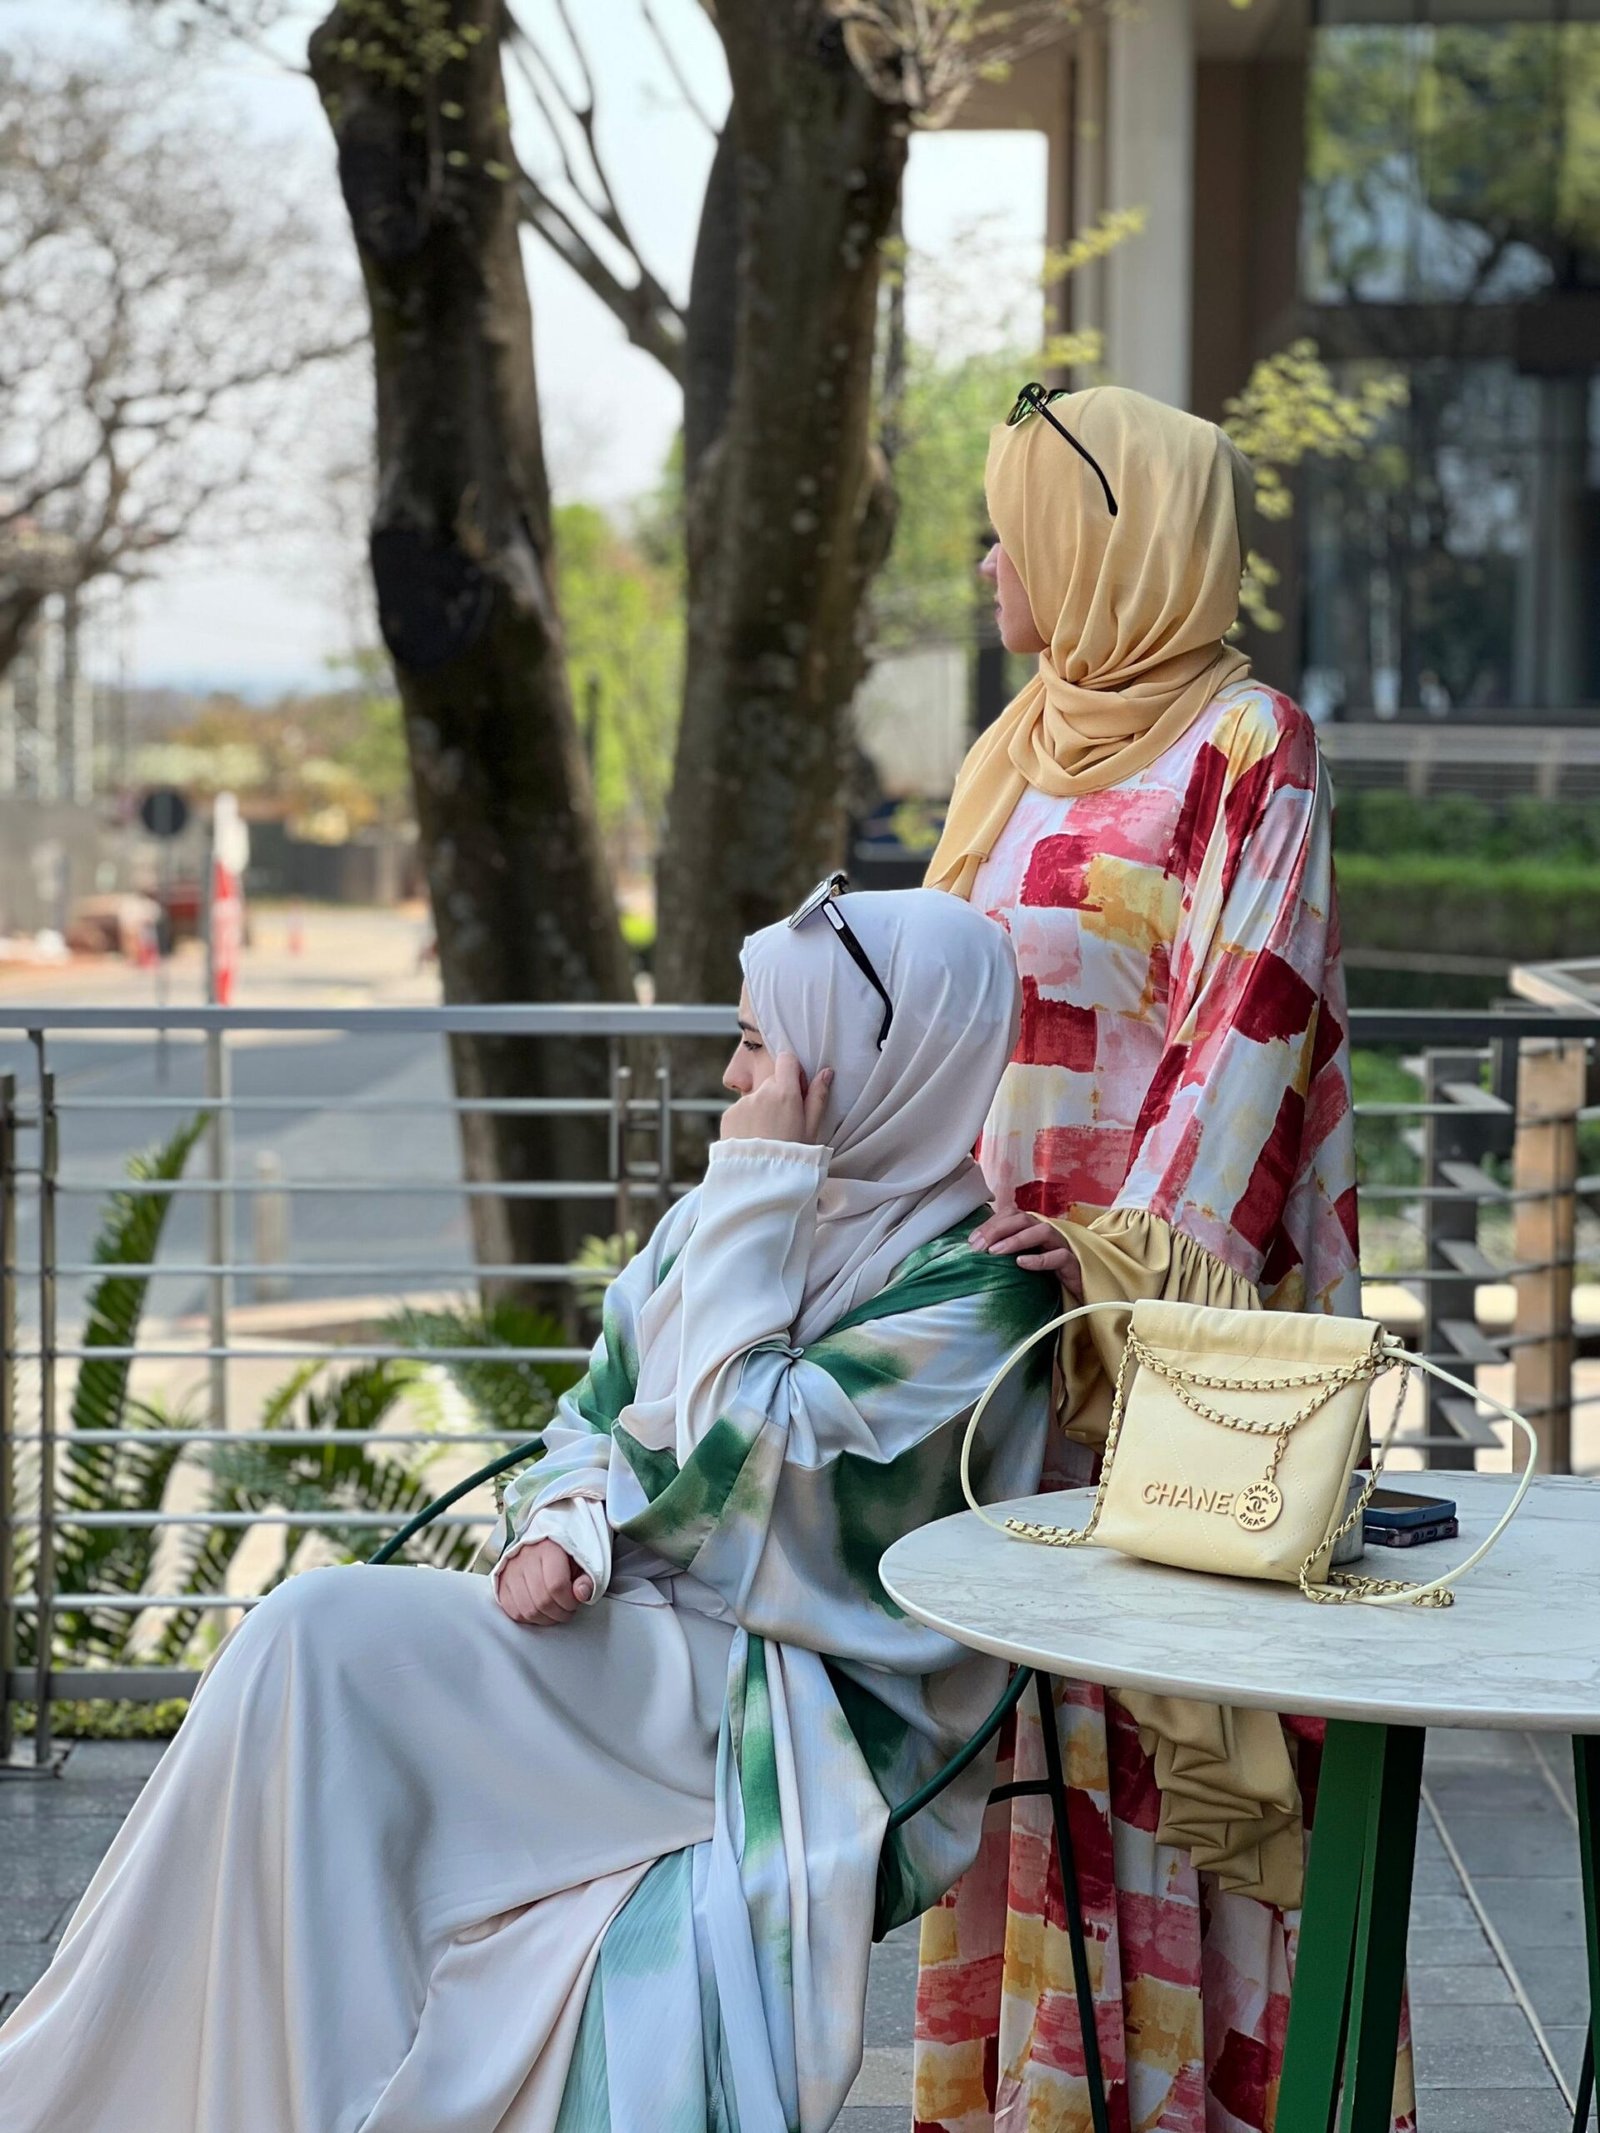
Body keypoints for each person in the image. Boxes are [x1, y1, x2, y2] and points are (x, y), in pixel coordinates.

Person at [0, 888, 1061, 2133]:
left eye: (759, 1045)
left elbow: (743, 1464)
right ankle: (228, 2086)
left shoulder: (974, 1290)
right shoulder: (729, 1215)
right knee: (303, 1653)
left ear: (879, 1061)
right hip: (636, 1649)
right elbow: (591, 1416)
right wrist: (559, 1524)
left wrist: (759, 1187)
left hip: (791, 1704)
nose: (734, 1080)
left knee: (321, 1659)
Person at [912, 385, 1414, 2133]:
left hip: (1160, 1353)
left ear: (1104, 543)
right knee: (1024, 1766)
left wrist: (1113, 1252)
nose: (992, 566)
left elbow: (1251, 1034)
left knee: (1168, 1756)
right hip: (1009, 1349)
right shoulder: (1017, 746)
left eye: (1016, 532)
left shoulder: (1250, 746)